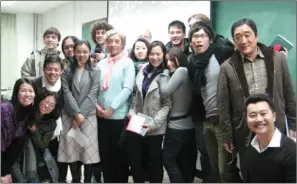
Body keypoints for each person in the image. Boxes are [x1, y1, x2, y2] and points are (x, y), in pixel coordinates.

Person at [217, 18, 296, 181]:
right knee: (250, 172)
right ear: (233, 40)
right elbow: (224, 105)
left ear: (256, 35)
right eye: (238, 37)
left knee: (279, 171)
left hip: (276, 126)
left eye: (247, 35)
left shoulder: (277, 58)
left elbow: (289, 93)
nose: (243, 40)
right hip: (245, 130)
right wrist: (227, 135)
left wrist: (294, 123)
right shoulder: (227, 67)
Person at [127, 41, 172, 183]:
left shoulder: (165, 75)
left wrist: (153, 124)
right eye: (152, 54)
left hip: (154, 126)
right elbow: (135, 96)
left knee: (154, 163)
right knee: (136, 161)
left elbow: (167, 104)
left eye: (158, 54)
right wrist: (131, 111)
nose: (154, 57)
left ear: (164, 55)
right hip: (137, 122)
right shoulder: (143, 70)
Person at [58, 40, 101, 183]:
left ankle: (87, 180)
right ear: (74, 52)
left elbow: (93, 94)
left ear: (89, 52)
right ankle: (76, 180)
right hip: (69, 116)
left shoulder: (95, 70)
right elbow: (66, 93)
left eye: (85, 52)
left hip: (88, 117)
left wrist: (81, 115)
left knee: (87, 151)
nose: (82, 55)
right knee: (72, 150)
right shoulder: (67, 70)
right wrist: (76, 115)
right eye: (78, 52)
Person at [95, 29, 135, 183]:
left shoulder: (127, 63)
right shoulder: (100, 63)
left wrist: (111, 109)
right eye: (110, 41)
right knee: (105, 155)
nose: (112, 44)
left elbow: (127, 89)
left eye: (117, 41)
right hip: (101, 116)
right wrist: (98, 108)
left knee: (119, 157)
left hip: (118, 116)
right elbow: (95, 88)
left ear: (123, 44)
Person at [160, 47, 196, 183]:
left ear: (179, 58)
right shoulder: (185, 72)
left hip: (176, 127)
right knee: (183, 161)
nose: (169, 63)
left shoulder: (181, 71)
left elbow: (164, 92)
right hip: (188, 126)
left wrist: (163, 73)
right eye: (166, 61)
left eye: (171, 59)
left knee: (168, 160)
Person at [243, 94, 296, 183]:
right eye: (252, 115)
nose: (258, 119)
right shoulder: (250, 151)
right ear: (247, 120)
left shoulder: (292, 152)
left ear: (274, 116)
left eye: (263, 114)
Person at [1, 78, 36, 183]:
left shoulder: (27, 112)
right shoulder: (5, 110)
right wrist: (3, 173)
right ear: (16, 93)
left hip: (8, 161)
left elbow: (15, 146)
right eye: (23, 90)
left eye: (31, 91)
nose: (28, 94)